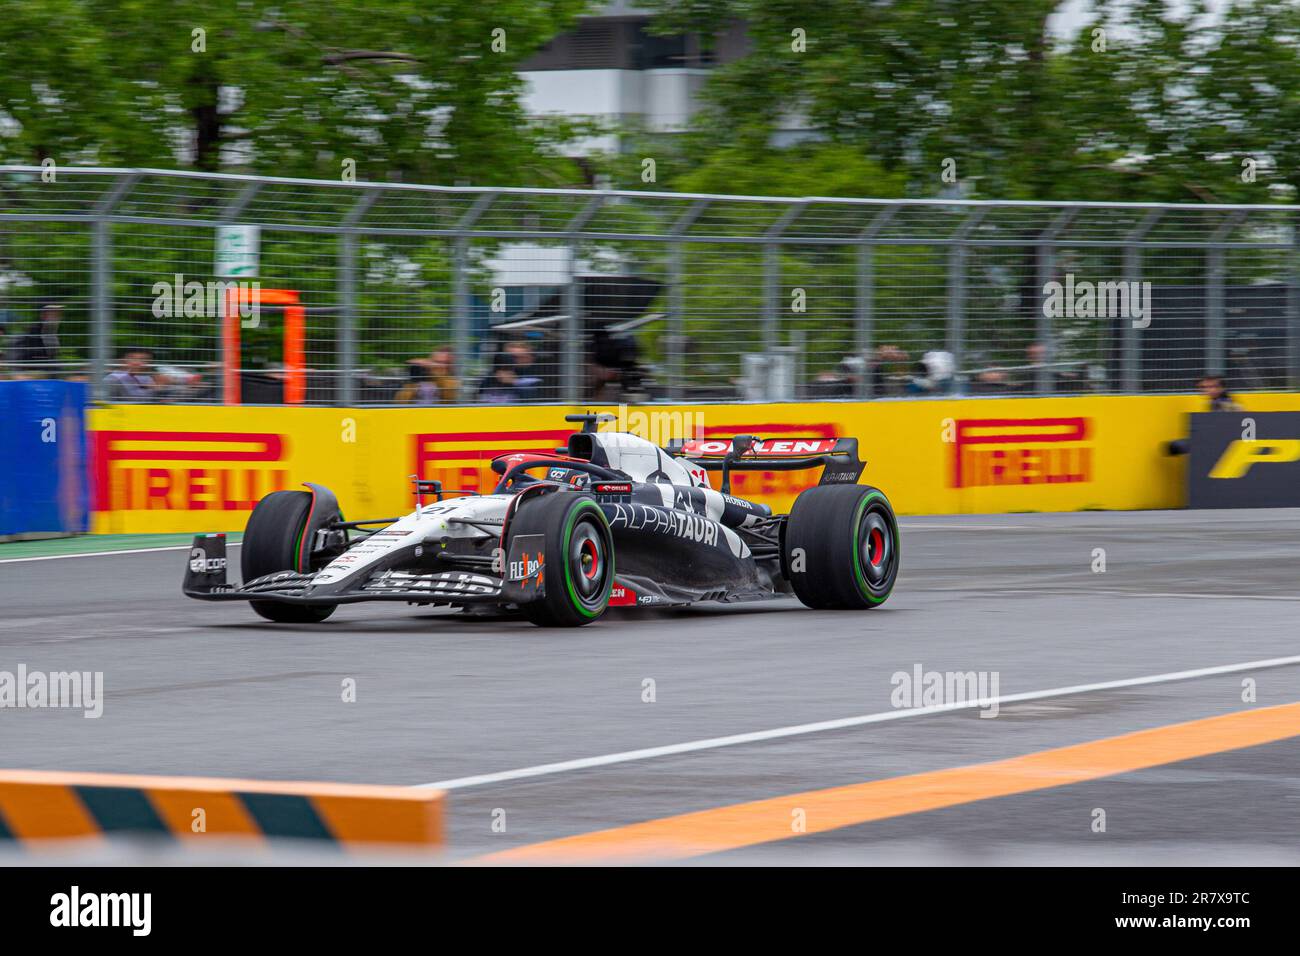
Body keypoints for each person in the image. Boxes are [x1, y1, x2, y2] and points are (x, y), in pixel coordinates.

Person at [7, 303, 62, 368]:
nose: (56, 317)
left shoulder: (52, 333)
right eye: (53, 313)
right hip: (29, 370)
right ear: (43, 315)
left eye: (57, 314)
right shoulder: (33, 333)